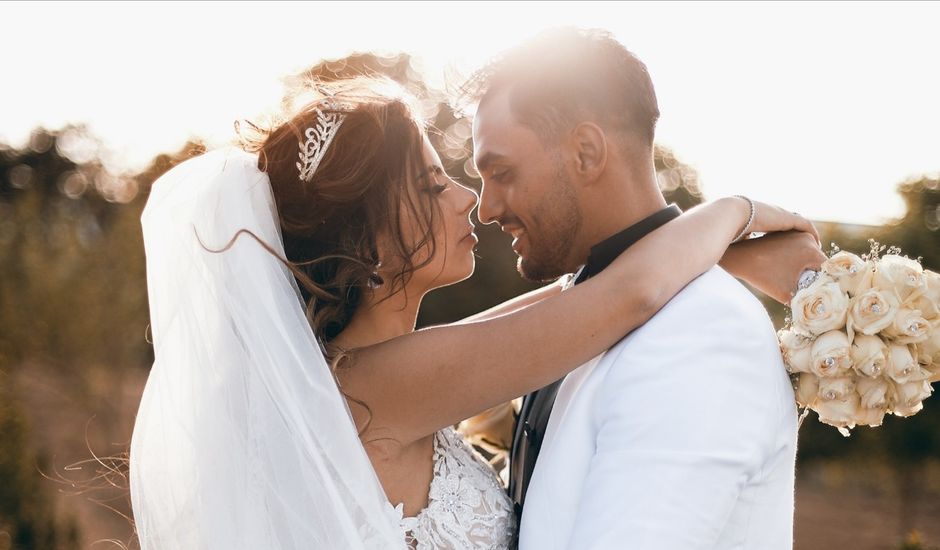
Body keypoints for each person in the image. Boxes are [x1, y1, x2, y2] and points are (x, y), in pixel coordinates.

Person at [130, 75, 824, 549]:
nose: (468, 199)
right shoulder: (377, 388)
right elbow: (621, 297)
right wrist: (738, 211)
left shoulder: (370, 375)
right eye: (434, 185)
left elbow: (575, 298)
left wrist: (721, 259)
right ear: (368, 236)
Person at [464, 27, 818, 549]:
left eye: (502, 172)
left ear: (586, 152)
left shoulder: (701, 334)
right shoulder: (581, 312)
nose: (487, 207)